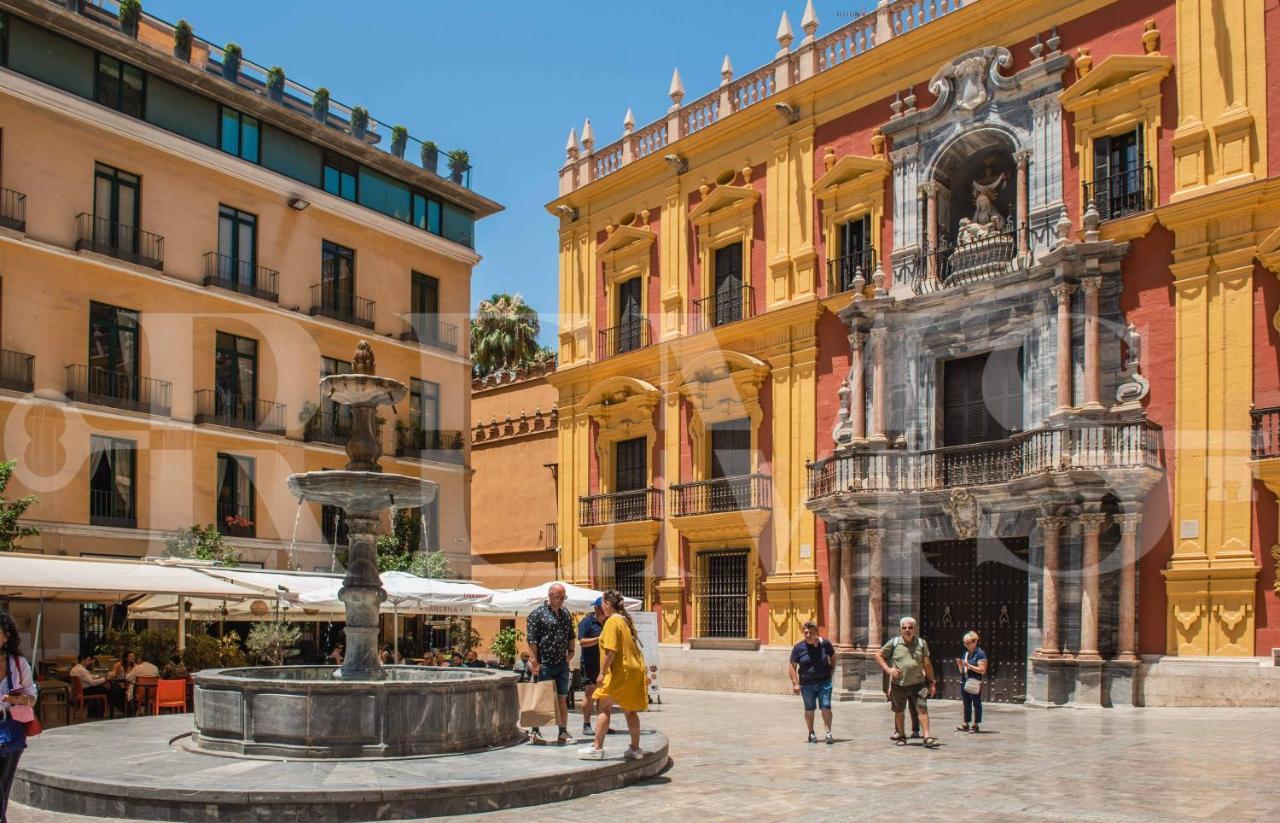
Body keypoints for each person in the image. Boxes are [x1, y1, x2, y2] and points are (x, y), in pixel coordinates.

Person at [578, 590, 647, 761]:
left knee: (603, 707)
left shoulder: (611, 622)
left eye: (602, 603)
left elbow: (610, 651)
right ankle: (635, 748)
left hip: (619, 672)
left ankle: (597, 748)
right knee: (630, 711)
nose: (601, 606)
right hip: (634, 669)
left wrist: (602, 673)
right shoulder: (625, 621)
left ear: (608, 604)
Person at [525, 583, 576, 745]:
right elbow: (532, 640)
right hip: (544, 663)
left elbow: (571, 634)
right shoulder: (537, 614)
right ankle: (534, 731)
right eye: (559, 597)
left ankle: (563, 732)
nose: (562, 600)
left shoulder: (566, 613)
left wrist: (572, 651)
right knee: (541, 698)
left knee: (562, 698)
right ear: (551, 595)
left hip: (561, 663)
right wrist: (534, 661)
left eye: (564, 597)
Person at [876, 616, 938, 748]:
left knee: (922, 709)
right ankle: (902, 736)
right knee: (899, 711)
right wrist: (889, 670)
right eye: (904, 628)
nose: (907, 630)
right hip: (899, 684)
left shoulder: (921, 643)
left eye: (910, 627)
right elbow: (878, 655)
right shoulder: (894, 643)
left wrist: (932, 681)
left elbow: (927, 664)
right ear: (900, 630)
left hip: (918, 684)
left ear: (914, 629)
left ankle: (927, 737)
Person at [1, 611, 38, 823]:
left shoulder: (18, 664)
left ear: (6, 636)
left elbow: (32, 698)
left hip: (11, 727)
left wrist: (17, 700)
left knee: (3, 788)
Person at [789, 620, 836, 744]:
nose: (808, 635)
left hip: (824, 682)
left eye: (810, 632)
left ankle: (828, 733)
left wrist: (832, 669)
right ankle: (811, 733)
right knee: (809, 709)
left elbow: (832, 656)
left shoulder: (825, 644)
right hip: (807, 684)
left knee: (826, 707)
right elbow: (792, 666)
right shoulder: (798, 648)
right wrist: (795, 683)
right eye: (805, 632)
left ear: (816, 633)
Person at [577, 597, 605, 738]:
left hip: (605, 664)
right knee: (590, 693)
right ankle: (586, 724)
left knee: (604, 695)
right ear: (597, 608)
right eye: (602, 608)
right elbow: (581, 642)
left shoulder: (608, 622)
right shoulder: (586, 622)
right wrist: (598, 639)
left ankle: (602, 724)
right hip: (589, 663)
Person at [955, 630, 988, 733]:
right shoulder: (965, 653)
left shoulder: (980, 654)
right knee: (966, 702)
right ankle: (966, 723)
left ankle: (976, 724)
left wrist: (968, 665)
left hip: (974, 681)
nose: (966, 645)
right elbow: (962, 671)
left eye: (968, 643)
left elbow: (982, 670)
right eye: (965, 643)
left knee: (976, 702)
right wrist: (960, 664)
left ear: (975, 641)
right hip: (965, 680)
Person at [69, 652, 108, 719]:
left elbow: (87, 677)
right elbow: (92, 682)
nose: (90, 662)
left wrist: (99, 678)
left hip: (79, 690)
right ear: (83, 660)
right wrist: (105, 679)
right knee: (106, 689)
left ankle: (94, 713)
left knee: (103, 687)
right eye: (89, 660)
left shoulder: (74, 668)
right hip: (85, 691)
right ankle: (100, 713)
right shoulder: (82, 670)